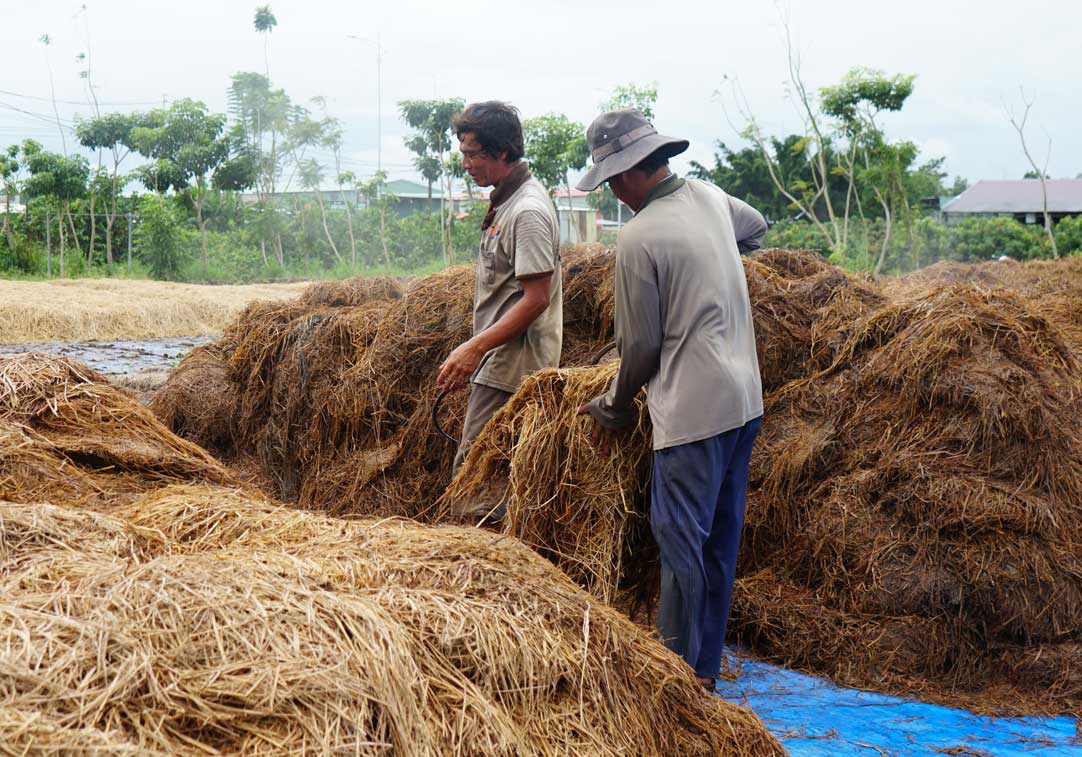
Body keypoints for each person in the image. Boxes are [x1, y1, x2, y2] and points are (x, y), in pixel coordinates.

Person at [576, 109, 767, 689]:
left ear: (629, 173)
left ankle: (679, 683)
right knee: (719, 544)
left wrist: (615, 405)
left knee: (681, 545)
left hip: (691, 412)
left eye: (611, 181)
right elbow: (755, 228)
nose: (613, 193)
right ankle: (705, 670)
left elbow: (639, 346)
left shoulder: (639, 237)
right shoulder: (711, 198)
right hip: (744, 402)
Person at [435, 101, 562, 508]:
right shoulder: (506, 202)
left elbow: (536, 298)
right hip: (499, 362)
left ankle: (484, 566)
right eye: (464, 155)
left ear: (502, 152)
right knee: (486, 476)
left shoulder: (526, 211)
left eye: (474, 155)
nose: (467, 165)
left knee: (475, 486)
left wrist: (475, 347)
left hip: (511, 368)